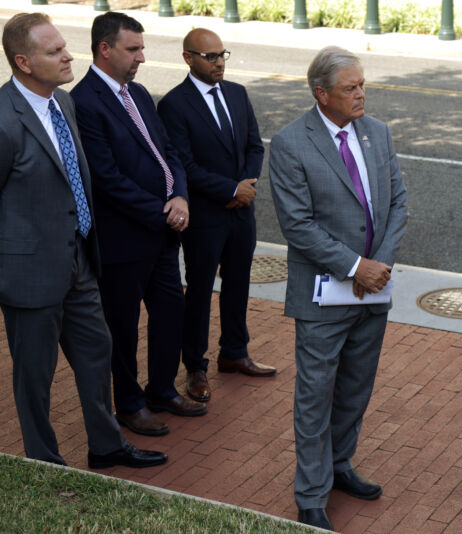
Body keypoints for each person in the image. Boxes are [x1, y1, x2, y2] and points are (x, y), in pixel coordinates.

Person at [0, 12, 166, 469]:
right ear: (24, 62)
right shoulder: (3, 119)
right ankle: (43, 463)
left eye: (63, 46)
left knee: (97, 356)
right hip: (29, 275)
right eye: (53, 52)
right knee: (34, 378)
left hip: (81, 261)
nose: (68, 55)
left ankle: (106, 446)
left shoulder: (64, 104)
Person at [269, 46, 408, 530]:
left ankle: (339, 464)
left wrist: (380, 265)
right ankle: (310, 495)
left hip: (375, 290)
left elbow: (398, 205)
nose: (361, 94)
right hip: (324, 296)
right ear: (320, 93)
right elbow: (298, 226)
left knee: (355, 388)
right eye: (350, 88)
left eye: (363, 85)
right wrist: (356, 267)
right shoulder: (290, 145)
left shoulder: (378, 133)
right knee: (316, 394)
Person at [71, 12, 207, 437]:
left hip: (163, 234)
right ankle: (129, 403)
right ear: (105, 49)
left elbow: (167, 152)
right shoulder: (85, 101)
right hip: (124, 240)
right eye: (133, 49)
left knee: (170, 313)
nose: (142, 58)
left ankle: (162, 389)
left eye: (142, 48)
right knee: (123, 327)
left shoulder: (140, 94)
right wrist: (160, 210)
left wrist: (180, 194)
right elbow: (106, 178)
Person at [158, 29, 275, 404]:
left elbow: (255, 145)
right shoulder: (174, 105)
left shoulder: (238, 94)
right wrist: (228, 190)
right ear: (188, 58)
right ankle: (195, 366)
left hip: (242, 211)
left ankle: (234, 352)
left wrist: (246, 184)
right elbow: (184, 165)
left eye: (222, 54)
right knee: (200, 290)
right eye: (209, 56)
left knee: (239, 282)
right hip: (206, 216)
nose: (219, 62)